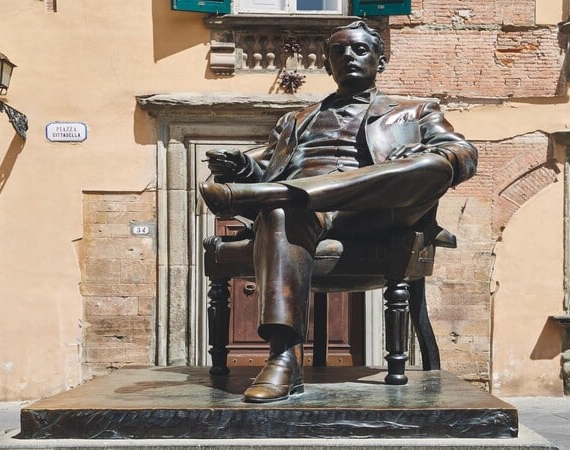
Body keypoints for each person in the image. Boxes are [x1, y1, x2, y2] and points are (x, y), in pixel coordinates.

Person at [199, 21, 478, 403]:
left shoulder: (415, 111)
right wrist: (240, 168)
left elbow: (462, 155)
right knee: (282, 211)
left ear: (381, 61)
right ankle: (284, 359)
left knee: (433, 166)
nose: (348, 56)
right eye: (338, 51)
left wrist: (421, 159)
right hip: (305, 212)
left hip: (371, 210)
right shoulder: (294, 120)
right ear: (328, 64)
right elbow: (266, 164)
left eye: (360, 50)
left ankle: (282, 194)